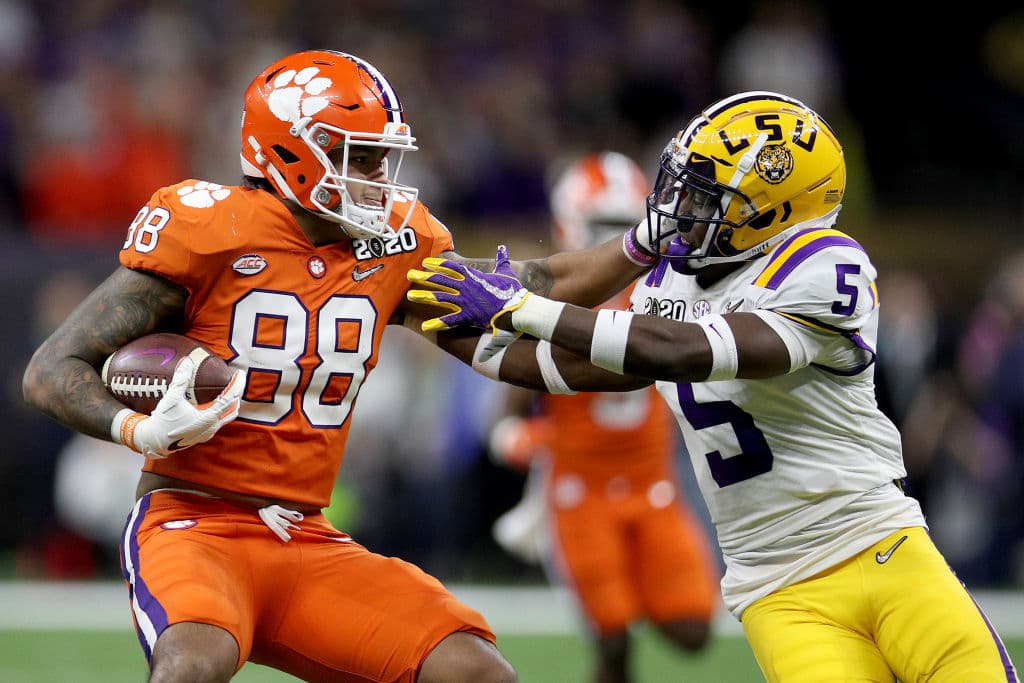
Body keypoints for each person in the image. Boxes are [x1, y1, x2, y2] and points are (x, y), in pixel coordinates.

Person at [406, 91, 1021, 682]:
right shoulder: (671, 278)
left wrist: (523, 309)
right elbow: (555, 365)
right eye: (685, 188)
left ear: (773, 212)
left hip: (874, 543)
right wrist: (409, 308)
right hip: (774, 586)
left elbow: (692, 350)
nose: (682, 210)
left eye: (707, 198)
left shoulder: (826, 264)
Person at [21, 48, 565, 683]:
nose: (375, 176)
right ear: (289, 150)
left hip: (303, 535)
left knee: (479, 673)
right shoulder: (208, 226)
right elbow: (51, 368)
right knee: (190, 668)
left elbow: (526, 301)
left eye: (378, 156)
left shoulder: (393, 244)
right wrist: (137, 431)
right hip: (193, 523)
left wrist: (644, 290)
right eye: (356, 155)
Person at [487, 150, 718, 683]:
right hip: (578, 490)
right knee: (613, 640)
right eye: (604, 224)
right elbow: (506, 411)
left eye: (624, 224)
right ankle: (610, 598)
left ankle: (630, 583)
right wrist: (525, 439)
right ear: (570, 222)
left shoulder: (668, 288)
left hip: (652, 482)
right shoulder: (554, 292)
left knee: (693, 629)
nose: (618, 239)